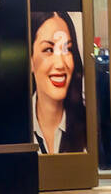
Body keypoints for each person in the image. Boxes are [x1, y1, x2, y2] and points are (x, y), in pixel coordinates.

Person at [31, 11, 86, 154]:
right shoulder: (14, 127)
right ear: (30, 60)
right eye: (48, 49)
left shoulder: (89, 124)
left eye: (67, 49)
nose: (60, 64)